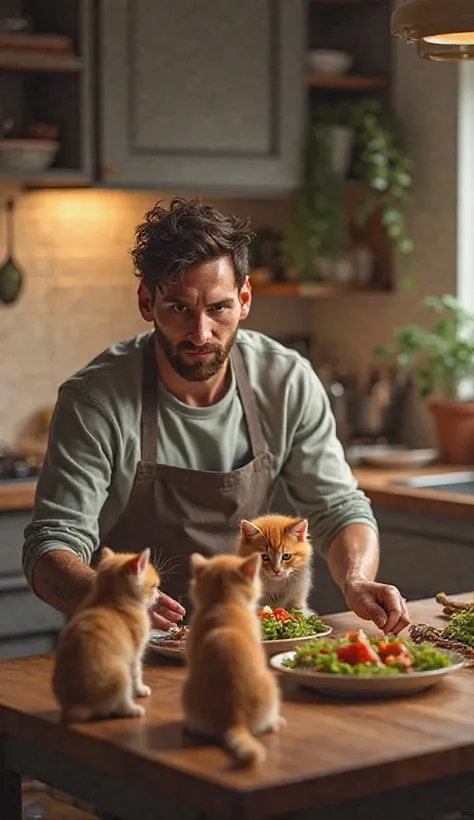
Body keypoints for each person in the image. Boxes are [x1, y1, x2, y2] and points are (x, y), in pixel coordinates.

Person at [22, 197, 409, 635]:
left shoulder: (286, 381)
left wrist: (356, 579)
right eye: (180, 309)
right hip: (126, 649)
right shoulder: (94, 400)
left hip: (245, 639)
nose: (201, 334)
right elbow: (50, 548)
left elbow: (338, 508)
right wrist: (115, 600)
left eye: (219, 308)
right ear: (147, 302)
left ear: (244, 299)